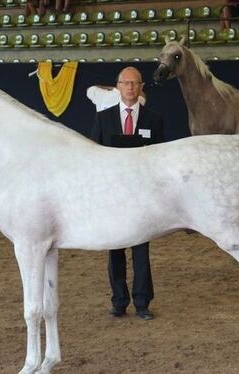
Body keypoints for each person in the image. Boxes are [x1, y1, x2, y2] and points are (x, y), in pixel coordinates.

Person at [89, 66, 163, 321]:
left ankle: (142, 303)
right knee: (115, 250)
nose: (131, 87)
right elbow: (93, 155)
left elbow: (162, 157)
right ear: (118, 87)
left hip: (143, 196)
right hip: (114, 195)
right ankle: (118, 301)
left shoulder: (154, 119)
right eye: (126, 83)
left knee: (141, 250)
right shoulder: (104, 118)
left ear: (141, 87)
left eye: (135, 83)